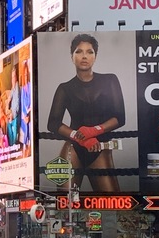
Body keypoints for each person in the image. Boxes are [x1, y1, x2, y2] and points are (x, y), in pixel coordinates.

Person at [47, 33, 125, 192]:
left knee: (114, 203)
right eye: (79, 51)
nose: (84, 56)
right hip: (73, 147)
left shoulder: (110, 80)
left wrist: (94, 130)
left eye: (89, 52)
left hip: (100, 146)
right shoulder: (64, 88)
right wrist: (78, 136)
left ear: (95, 56)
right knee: (63, 203)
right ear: (72, 56)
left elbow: (120, 117)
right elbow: (53, 123)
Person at [19, 60, 32, 157]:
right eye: (24, 74)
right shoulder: (22, 89)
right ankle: (24, 147)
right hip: (25, 116)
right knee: (24, 123)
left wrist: (29, 113)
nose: (26, 75)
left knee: (31, 124)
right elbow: (22, 104)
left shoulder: (30, 86)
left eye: (27, 73)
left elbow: (32, 102)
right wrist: (25, 116)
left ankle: (30, 147)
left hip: (31, 114)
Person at [7, 64, 20, 146]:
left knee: (11, 123)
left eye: (14, 76)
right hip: (13, 113)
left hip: (16, 114)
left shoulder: (17, 88)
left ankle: (13, 145)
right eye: (12, 77)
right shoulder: (13, 89)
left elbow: (17, 105)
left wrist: (12, 113)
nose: (13, 79)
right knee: (8, 123)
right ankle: (11, 146)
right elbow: (9, 99)